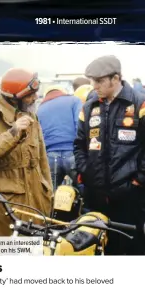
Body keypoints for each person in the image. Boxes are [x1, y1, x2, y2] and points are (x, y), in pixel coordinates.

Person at [73, 55, 145, 255]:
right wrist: (85, 171)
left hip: (129, 195)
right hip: (95, 196)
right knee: (99, 249)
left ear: (116, 78)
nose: (94, 85)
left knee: (132, 249)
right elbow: (79, 145)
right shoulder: (89, 107)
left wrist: (138, 180)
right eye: (91, 81)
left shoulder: (139, 104)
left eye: (99, 81)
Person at [0, 68, 53, 237]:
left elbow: (42, 160)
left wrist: (49, 193)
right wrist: (13, 133)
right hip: (3, 206)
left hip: (36, 201)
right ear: (14, 97)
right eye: (30, 94)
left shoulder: (31, 115)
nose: (35, 98)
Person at [37, 85, 83, 191]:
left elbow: (38, 135)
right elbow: (80, 125)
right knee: (85, 189)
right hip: (73, 153)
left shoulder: (40, 108)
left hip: (50, 157)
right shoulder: (74, 100)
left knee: (50, 194)